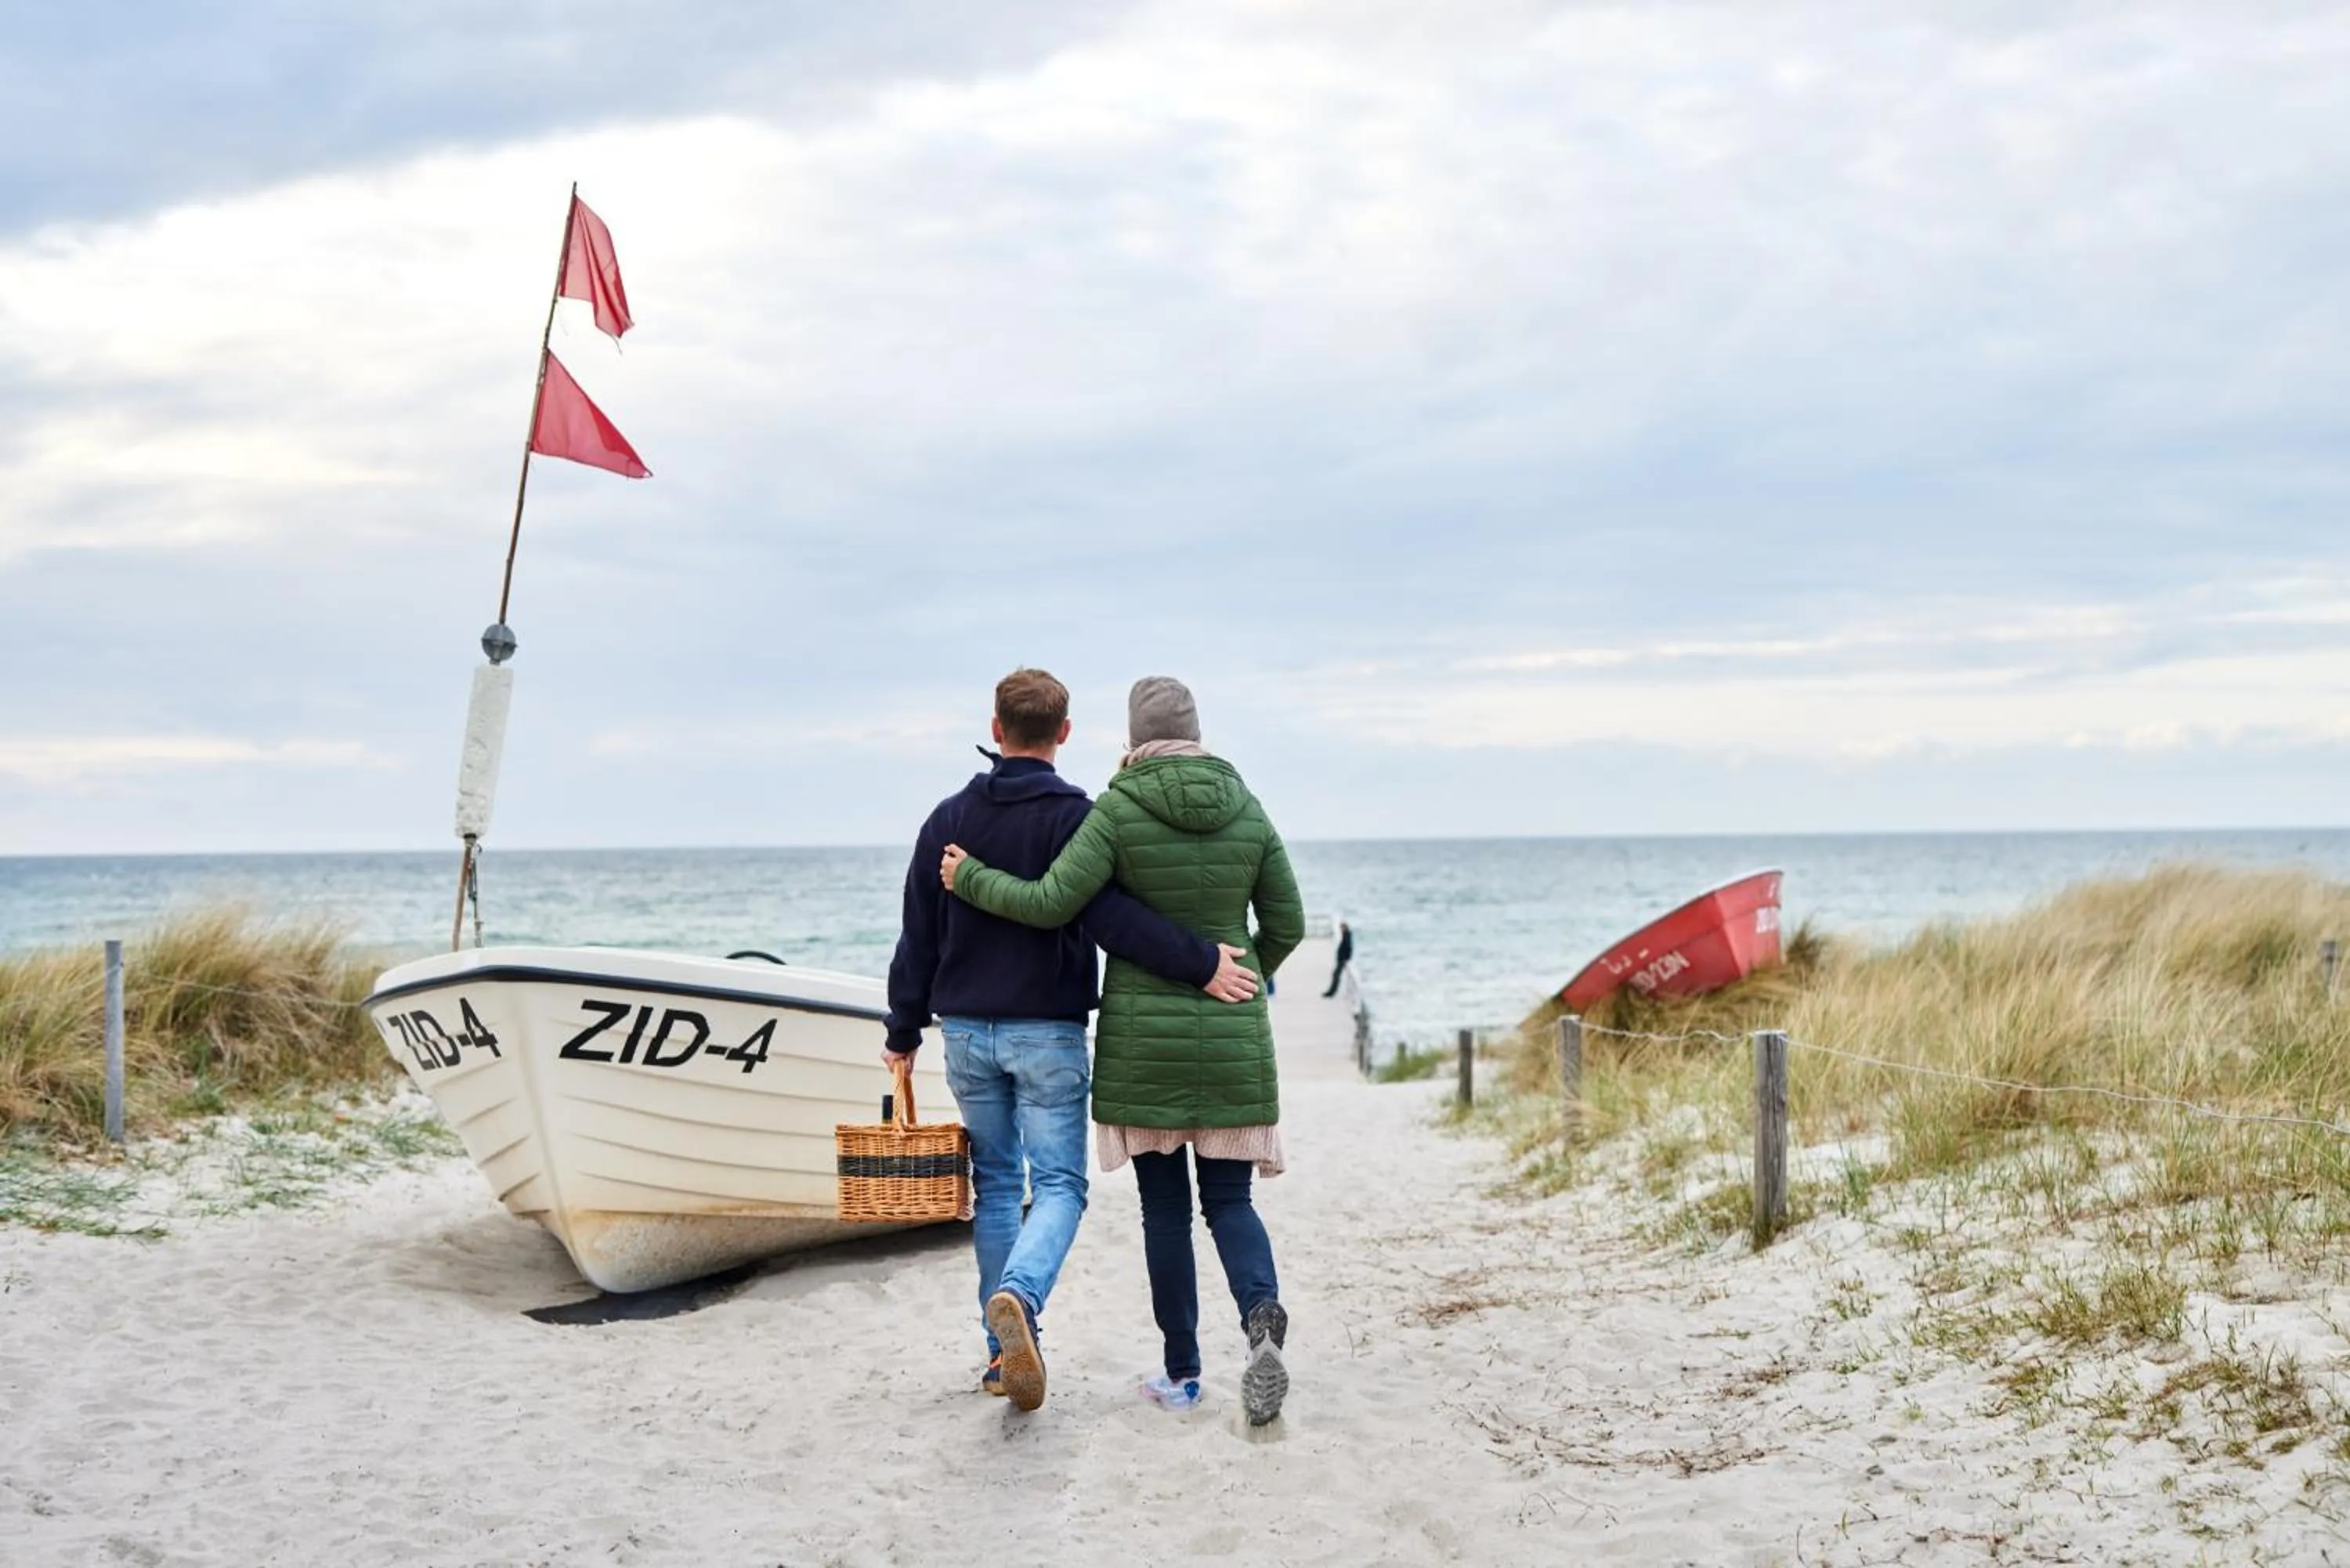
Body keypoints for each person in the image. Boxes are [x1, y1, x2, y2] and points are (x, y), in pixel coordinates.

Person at [884, 668, 1260, 1414]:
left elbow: (917, 936)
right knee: (1057, 1186)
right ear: (1064, 733)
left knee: (996, 1184)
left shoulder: (946, 820)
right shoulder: (1077, 818)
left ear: (996, 729)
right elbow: (1111, 921)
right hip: (1048, 1033)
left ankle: (1001, 1354)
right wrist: (1205, 962)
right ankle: (1020, 1297)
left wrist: (902, 1031)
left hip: (964, 1031)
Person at [1321, 920, 1354, 998]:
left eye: (1341, 928)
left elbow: (1349, 947)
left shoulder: (1347, 936)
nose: (1340, 930)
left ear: (1345, 928)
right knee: (1335, 975)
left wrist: (1347, 958)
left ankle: (1332, 992)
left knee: (1336, 975)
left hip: (1342, 959)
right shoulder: (1346, 935)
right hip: (1341, 959)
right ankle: (1331, 992)